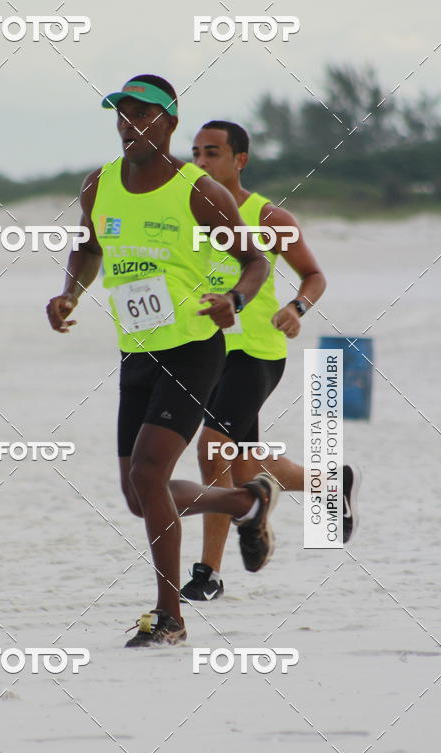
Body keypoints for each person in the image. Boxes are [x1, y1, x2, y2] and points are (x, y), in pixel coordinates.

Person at [46, 77, 275, 647]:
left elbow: (254, 262)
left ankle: (169, 617)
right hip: (138, 351)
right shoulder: (100, 184)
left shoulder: (199, 191)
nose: (130, 125)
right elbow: (89, 246)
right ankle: (247, 502)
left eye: (143, 116)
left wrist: (235, 301)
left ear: (170, 124)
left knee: (150, 474)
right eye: (123, 116)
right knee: (137, 492)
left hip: (195, 348)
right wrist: (70, 292)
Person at [181, 120, 360, 604]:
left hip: (256, 351)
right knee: (238, 467)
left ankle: (207, 574)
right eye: (196, 152)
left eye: (212, 152)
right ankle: (328, 482)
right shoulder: (187, 212)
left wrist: (296, 308)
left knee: (212, 448)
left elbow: (314, 274)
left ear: (240, 160)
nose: (201, 161)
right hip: (204, 352)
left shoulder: (270, 217)